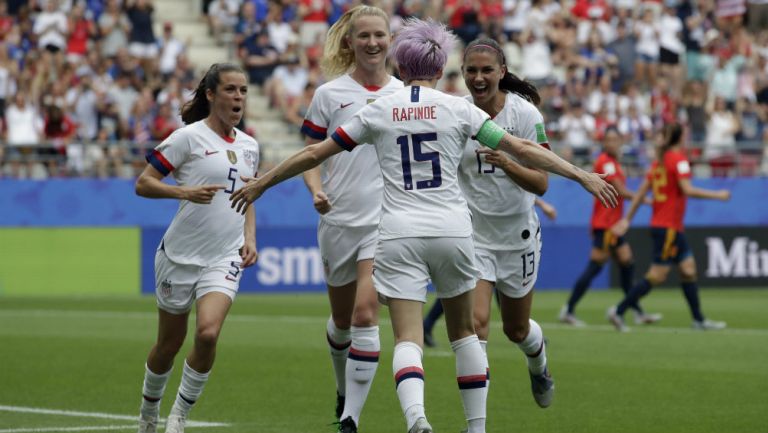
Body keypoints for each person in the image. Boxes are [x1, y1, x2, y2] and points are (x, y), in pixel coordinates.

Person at [231, 18, 617, 433]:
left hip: (399, 233)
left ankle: (417, 419)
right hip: (454, 230)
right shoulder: (458, 108)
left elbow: (313, 154)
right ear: (440, 66)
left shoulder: (378, 110)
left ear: (400, 63)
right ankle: (476, 428)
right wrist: (581, 175)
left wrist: (263, 182)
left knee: (408, 340)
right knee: (467, 335)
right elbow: (520, 147)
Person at [134, 63, 260, 433]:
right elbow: (143, 183)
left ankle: (179, 417)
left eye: (243, 91)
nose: (238, 97)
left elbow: (248, 195)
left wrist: (250, 237)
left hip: (224, 255)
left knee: (207, 333)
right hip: (179, 255)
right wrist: (183, 191)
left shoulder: (250, 145)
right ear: (210, 94)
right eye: (231, 90)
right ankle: (147, 413)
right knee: (168, 345)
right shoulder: (187, 138)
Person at [298, 6, 403, 432]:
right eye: (365, 36)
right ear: (350, 42)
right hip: (338, 220)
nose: (373, 43)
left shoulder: (404, 96)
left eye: (380, 35)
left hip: (385, 223)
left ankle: (350, 419)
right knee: (342, 323)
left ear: (390, 41)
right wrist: (316, 189)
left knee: (364, 314)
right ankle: (343, 388)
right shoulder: (329, 95)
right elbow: (309, 155)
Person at [458, 37, 559, 409]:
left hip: (516, 237)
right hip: (474, 238)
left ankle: (539, 363)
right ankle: (477, 420)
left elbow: (542, 183)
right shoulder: (458, 113)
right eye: (472, 71)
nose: (479, 78)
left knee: (516, 329)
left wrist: (507, 163)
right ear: (462, 73)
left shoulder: (526, 116)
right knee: (476, 325)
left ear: (502, 72)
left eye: (487, 70)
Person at [607, 122, 730, 332]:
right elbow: (687, 189)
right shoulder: (678, 160)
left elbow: (640, 194)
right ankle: (619, 310)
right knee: (657, 275)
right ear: (681, 138)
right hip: (668, 228)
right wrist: (717, 195)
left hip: (667, 227)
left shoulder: (658, 163)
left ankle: (699, 319)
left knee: (688, 269)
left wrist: (627, 219)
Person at [422, 197, 556, 349]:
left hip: (502, 235)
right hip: (472, 230)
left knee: (467, 288)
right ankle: (427, 325)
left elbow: (510, 186)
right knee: (463, 290)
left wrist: (541, 203)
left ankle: (519, 326)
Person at [560, 126, 662, 326]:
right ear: (604, 143)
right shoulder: (606, 163)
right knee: (598, 265)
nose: (612, 143)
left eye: (616, 139)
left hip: (611, 224)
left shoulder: (614, 163)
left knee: (626, 262)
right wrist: (645, 200)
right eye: (609, 140)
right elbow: (620, 190)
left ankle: (634, 310)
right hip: (606, 225)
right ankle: (570, 309)